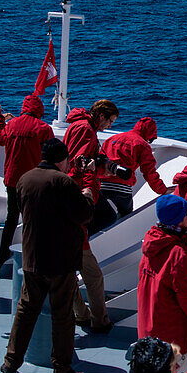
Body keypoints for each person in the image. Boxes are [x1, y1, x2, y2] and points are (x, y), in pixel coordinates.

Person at [0, 138, 93, 373]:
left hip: (32, 256)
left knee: (26, 310)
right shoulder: (63, 182)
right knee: (62, 315)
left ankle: (11, 361)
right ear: (62, 160)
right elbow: (83, 214)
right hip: (60, 259)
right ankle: (62, 367)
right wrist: (88, 196)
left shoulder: (25, 179)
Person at [64, 99, 119, 333]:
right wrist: (97, 171)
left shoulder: (76, 125)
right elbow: (80, 165)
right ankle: (99, 319)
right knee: (92, 274)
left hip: (66, 201)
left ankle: (81, 314)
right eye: (110, 121)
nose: (108, 126)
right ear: (102, 115)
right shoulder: (87, 131)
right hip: (77, 204)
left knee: (67, 269)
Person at [0, 94, 54, 267]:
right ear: (39, 110)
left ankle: (2, 258)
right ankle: (31, 259)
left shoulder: (11, 124)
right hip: (33, 182)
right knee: (32, 220)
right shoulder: (43, 128)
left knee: (11, 218)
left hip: (12, 180)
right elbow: (50, 154)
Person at [137, 195, 187, 355]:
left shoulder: (151, 241)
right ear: (179, 219)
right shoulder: (178, 253)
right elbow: (185, 295)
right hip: (170, 334)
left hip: (148, 326)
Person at [94, 116, 170, 231]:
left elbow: (99, 161)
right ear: (149, 134)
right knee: (125, 217)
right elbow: (149, 173)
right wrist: (163, 190)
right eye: (151, 139)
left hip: (100, 185)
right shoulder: (142, 145)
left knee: (97, 214)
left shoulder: (111, 139)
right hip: (122, 189)